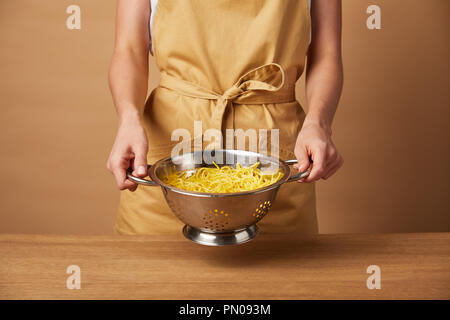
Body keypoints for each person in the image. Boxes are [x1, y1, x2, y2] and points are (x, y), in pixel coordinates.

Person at [107, 0, 344, 235]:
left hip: (275, 172)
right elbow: (128, 48)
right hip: (168, 165)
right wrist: (129, 119)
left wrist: (318, 123)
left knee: (284, 269)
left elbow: (326, 52)